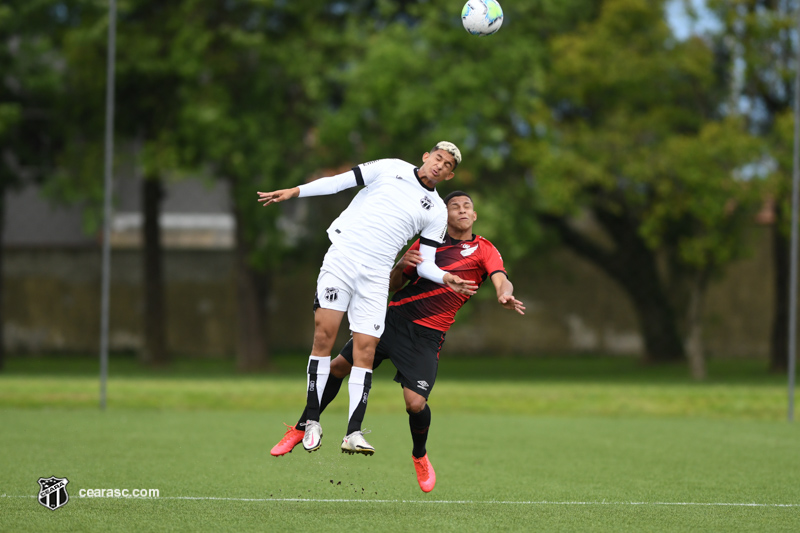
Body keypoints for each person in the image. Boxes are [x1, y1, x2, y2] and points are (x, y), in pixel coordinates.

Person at [270, 191, 525, 493]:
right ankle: (302, 427)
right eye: (454, 206)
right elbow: (391, 285)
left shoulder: (483, 249)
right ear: (444, 214)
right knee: (338, 367)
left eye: (467, 206)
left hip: (427, 336)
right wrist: (403, 262)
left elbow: (501, 277)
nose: (461, 210)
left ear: (474, 215)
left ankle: (419, 455)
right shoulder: (426, 243)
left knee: (415, 403)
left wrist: (503, 293)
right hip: (391, 321)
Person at [257, 143, 478, 456]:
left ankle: (353, 433)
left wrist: (446, 277)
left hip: (376, 275)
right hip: (343, 258)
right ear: (427, 157)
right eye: (438, 158)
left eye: (447, 164)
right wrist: (295, 191)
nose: (440, 165)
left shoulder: (437, 210)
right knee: (324, 335)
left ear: (450, 173)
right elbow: (339, 182)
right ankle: (311, 421)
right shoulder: (391, 167)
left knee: (366, 348)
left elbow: (425, 262)